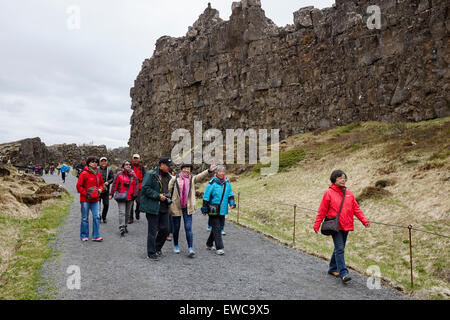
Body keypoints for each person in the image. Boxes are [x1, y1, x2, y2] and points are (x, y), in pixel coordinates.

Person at [313, 170, 370, 283]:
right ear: (334, 179)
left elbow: (356, 209)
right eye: (340, 178)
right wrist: (317, 224)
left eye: (344, 178)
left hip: (347, 225)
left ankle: (332, 268)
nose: (343, 180)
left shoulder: (349, 193)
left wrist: (364, 221)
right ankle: (343, 273)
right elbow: (322, 210)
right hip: (335, 226)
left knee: (339, 248)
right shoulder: (328, 193)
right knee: (340, 249)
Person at [168, 162, 217, 257]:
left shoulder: (192, 179)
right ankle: (176, 245)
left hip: (188, 207)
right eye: (185, 168)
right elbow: (169, 190)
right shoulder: (174, 179)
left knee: (188, 227)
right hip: (176, 206)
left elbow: (200, 176)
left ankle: (190, 248)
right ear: (182, 169)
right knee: (176, 228)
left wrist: (209, 170)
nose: (187, 170)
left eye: (189, 169)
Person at [140, 157, 174, 261]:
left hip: (164, 207)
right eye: (168, 166)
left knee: (165, 230)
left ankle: (157, 248)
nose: (169, 168)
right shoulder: (151, 174)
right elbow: (145, 188)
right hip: (153, 207)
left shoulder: (169, 176)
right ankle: (151, 253)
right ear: (161, 165)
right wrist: (158, 196)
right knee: (152, 231)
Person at [201, 165, 236, 255]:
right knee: (217, 228)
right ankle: (219, 247)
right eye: (220, 171)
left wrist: (232, 203)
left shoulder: (227, 183)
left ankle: (209, 244)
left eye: (223, 171)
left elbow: (230, 194)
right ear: (216, 173)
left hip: (222, 209)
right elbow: (206, 196)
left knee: (219, 227)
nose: (222, 173)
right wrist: (204, 209)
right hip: (213, 209)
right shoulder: (212, 183)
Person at [76, 157, 105, 242]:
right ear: (88, 163)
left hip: (95, 199)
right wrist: (87, 194)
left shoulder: (98, 174)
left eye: (96, 162)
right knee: (85, 218)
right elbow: (79, 186)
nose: (94, 163)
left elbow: (101, 184)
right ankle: (84, 235)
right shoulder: (84, 173)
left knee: (97, 217)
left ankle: (96, 235)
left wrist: (100, 189)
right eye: (92, 162)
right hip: (85, 200)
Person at [109, 161, 138, 237]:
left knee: (127, 213)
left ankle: (125, 225)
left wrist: (135, 194)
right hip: (121, 196)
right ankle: (121, 227)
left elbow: (136, 185)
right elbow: (114, 184)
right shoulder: (119, 174)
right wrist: (111, 193)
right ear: (123, 166)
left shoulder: (133, 175)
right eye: (126, 164)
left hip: (130, 197)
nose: (128, 166)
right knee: (122, 212)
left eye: (129, 165)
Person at [129, 154, 146, 224]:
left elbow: (145, 177)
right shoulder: (129, 166)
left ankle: (137, 211)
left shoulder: (142, 167)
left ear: (139, 159)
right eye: (134, 158)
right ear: (132, 159)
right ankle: (130, 218)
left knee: (139, 202)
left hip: (139, 186)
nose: (136, 160)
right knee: (131, 203)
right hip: (131, 186)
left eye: (137, 158)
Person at [98, 157, 115, 223]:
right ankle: (98, 217)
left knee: (106, 204)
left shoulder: (109, 170)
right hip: (98, 190)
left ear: (107, 162)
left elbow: (112, 178)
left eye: (105, 161)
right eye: (102, 161)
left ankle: (104, 217)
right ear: (100, 162)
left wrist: (108, 182)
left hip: (106, 190)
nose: (103, 162)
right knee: (97, 205)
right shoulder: (97, 169)